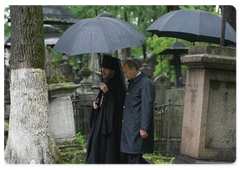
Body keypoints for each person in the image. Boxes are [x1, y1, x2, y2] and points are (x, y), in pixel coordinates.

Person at [85, 54, 126, 164]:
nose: (103, 71)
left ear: (113, 71)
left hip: (111, 127)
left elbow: (117, 106)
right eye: (102, 69)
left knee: (109, 153)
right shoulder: (106, 83)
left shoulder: (118, 85)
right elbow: (101, 101)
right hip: (101, 124)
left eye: (106, 69)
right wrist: (95, 105)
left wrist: (107, 92)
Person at [121, 59, 155, 165]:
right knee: (130, 157)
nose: (125, 74)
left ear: (134, 69)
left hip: (137, 128)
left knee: (134, 157)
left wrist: (144, 127)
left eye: (126, 72)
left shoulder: (145, 83)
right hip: (129, 128)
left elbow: (147, 106)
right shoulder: (132, 83)